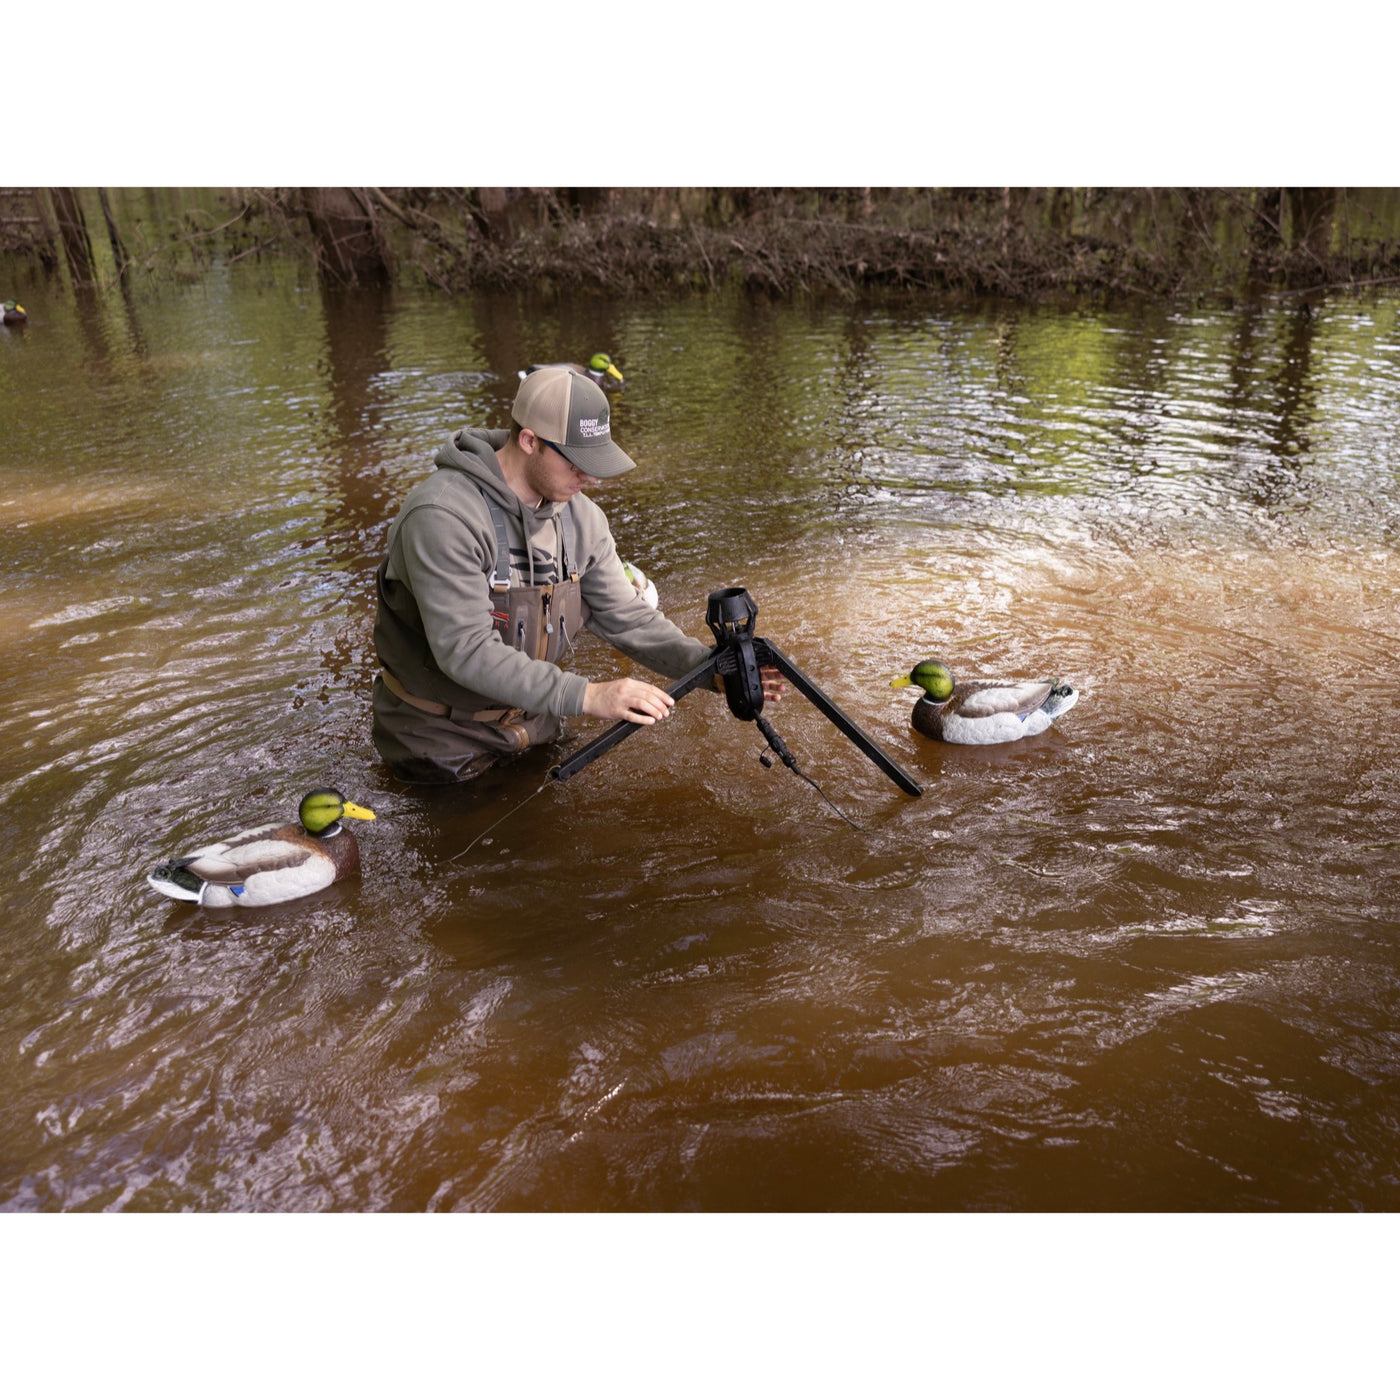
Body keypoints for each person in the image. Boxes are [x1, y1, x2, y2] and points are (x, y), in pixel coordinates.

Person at [372, 366, 780, 784]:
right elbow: (466, 650)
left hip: (536, 724)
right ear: (530, 440)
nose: (590, 476)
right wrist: (589, 694)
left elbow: (628, 617)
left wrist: (710, 668)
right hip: (439, 741)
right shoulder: (442, 517)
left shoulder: (583, 518)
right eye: (576, 463)